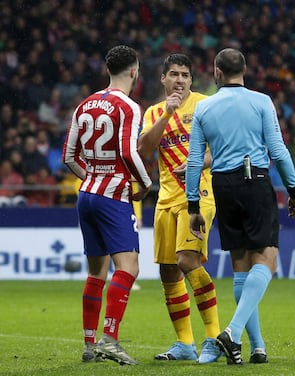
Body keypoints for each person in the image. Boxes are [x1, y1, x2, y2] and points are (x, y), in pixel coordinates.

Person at [186, 48, 295, 365]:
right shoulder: (262, 101)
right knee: (266, 261)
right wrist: (293, 190)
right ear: (245, 69)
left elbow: (195, 161)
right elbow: (278, 150)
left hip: (223, 187)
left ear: (217, 72)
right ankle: (233, 332)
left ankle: (257, 347)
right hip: (255, 180)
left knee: (241, 267)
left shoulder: (204, 107)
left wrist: (193, 205)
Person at [62, 45, 152, 365]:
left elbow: (69, 156)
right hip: (112, 197)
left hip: (86, 194)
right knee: (129, 267)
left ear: (107, 70)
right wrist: (146, 183)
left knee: (97, 272)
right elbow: (129, 152)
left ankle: (89, 345)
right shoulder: (128, 107)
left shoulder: (85, 105)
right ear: (134, 71)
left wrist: (93, 177)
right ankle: (110, 340)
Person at [138, 53, 222, 364]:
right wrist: (166, 115)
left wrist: (199, 161)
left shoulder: (204, 104)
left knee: (187, 260)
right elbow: (145, 149)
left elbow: (223, 147)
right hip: (165, 200)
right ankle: (185, 343)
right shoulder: (154, 111)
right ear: (163, 79)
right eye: (174, 74)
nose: (180, 80)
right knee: (168, 270)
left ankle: (213, 338)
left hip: (197, 195)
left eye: (185, 74)